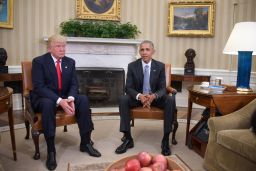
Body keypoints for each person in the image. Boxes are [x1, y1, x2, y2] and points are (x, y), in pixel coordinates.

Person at [30, 34, 101, 170]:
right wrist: (59, 101)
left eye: (64, 46)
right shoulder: (39, 62)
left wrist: (71, 99)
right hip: (45, 98)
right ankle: (51, 151)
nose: (62, 49)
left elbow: (74, 84)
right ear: (50, 48)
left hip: (64, 97)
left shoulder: (70, 62)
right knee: (48, 103)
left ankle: (85, 143)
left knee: (84, 99)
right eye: (58, 46)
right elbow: (39, 87)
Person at [115, 40, 176, 156]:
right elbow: (128, 87)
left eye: (147, 49)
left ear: (153, 51)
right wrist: (140, 96)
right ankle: (128, 138)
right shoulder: (132, 66)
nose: (144, 52)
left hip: (155, 98)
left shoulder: (160, 66)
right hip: (138, 98)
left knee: (170, 100)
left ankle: (165, 140)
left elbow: (163, 88)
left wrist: (153, 96)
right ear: (139, 51)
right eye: (142, 50)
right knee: (123, 99)